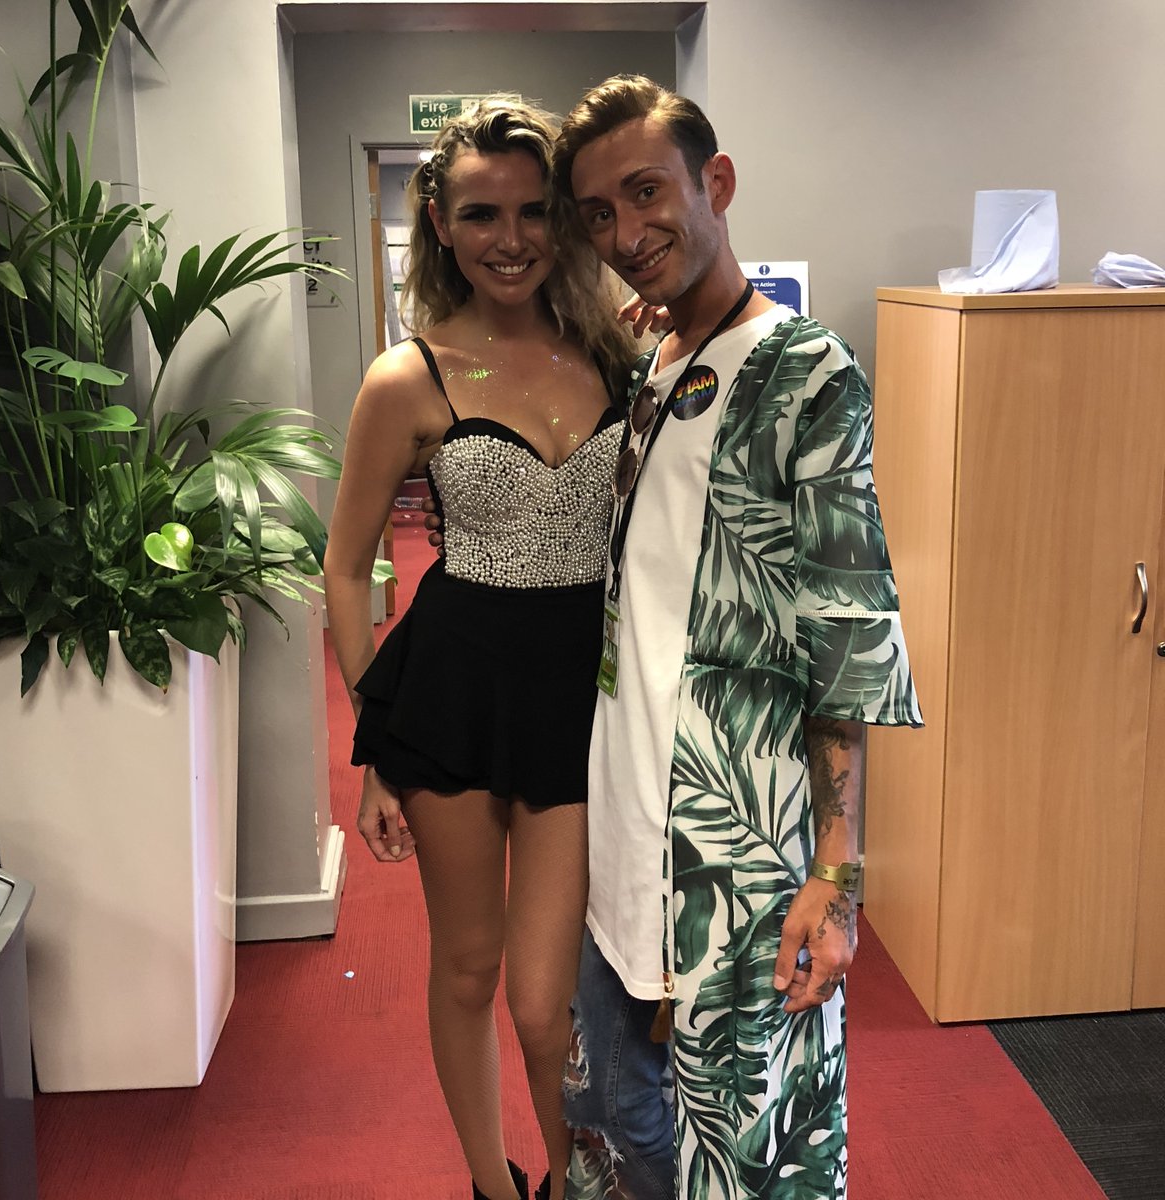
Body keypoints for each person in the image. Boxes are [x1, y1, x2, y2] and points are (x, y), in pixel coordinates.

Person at [545, 77, 925, 1199]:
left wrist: (837, 872)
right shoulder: (655, 371)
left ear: (716, 182)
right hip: (625, 824)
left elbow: (847, 629)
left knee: (751, 1144)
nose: (626, 234)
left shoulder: (809, 372)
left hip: (741, 841)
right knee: (619, 1114)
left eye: (646, 192)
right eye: (599, 213)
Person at [322, 97, 635, 1200]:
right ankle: (493, 1186)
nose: (511, 238)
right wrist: (376, 748)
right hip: (451, 690)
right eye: (481, 213)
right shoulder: (408, 376)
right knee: (467, 966)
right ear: (441, 225)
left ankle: (571, 1177)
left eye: (534, 210)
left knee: (546, 1003)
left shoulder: (618, 352)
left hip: (575, 697)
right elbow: (346, 568)